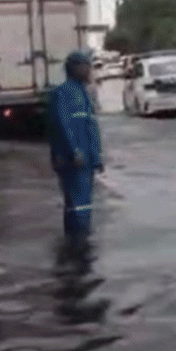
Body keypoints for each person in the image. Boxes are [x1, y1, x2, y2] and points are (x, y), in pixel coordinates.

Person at [47, 50, 103, 245]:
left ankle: (80, 240)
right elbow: (62, 125)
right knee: (77, 204)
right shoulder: (62, 94)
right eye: (86, 66)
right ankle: (77, 244)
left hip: (86, 159)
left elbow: (92, 128)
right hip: (72, 160)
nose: (89, 70)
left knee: (83, 204)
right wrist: (74, 152)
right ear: (75, 68)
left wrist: (97, 157)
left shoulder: (84, 94)